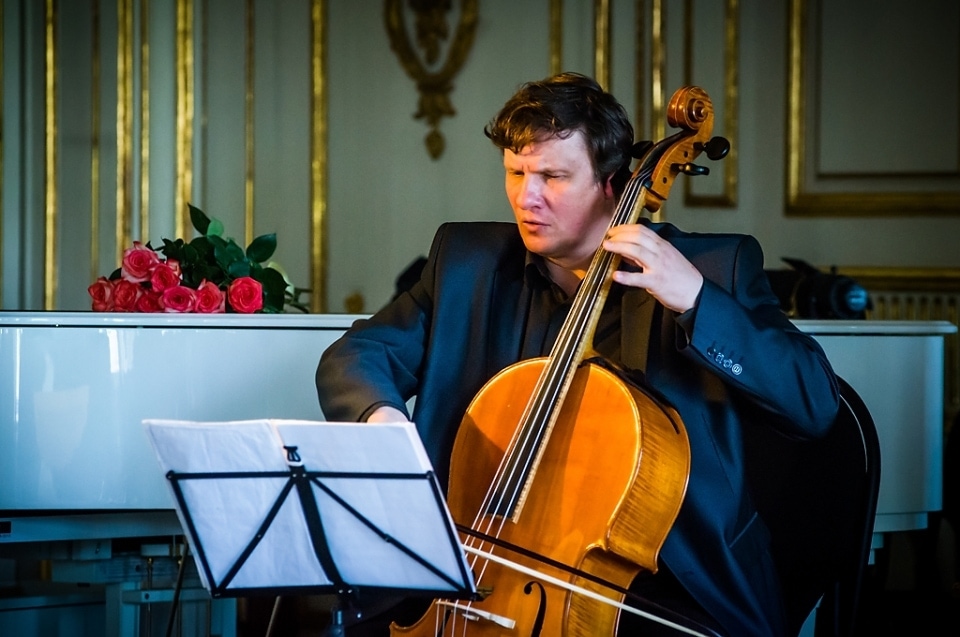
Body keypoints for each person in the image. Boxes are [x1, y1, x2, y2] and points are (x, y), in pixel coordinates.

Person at [315, 72, 840, 636]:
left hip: (668, 588)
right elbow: (357, 356)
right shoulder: (467, 261)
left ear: (612, 184)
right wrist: (385, 424)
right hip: (477, 575)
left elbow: (814, 404)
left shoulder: (715, 268)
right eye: (516, 173)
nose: (527, 197)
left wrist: (695, 299)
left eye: (553, 176)